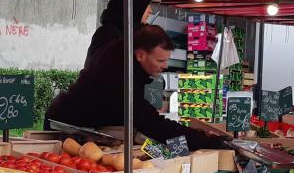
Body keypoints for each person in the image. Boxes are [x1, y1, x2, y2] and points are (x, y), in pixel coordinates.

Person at [46, 25, 228, 150]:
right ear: (141, 55)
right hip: (63, 126)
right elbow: (149, 123)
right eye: (160, 60)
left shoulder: (126, 58)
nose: (165, 66)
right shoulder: (117, 71)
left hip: (84, 128)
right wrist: (203, 139)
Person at [85, 0, 154, 66]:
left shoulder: (133, 34)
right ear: (136, 5)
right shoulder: (108, 33)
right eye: (147, 5)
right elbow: (98, 69)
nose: (150, 10)